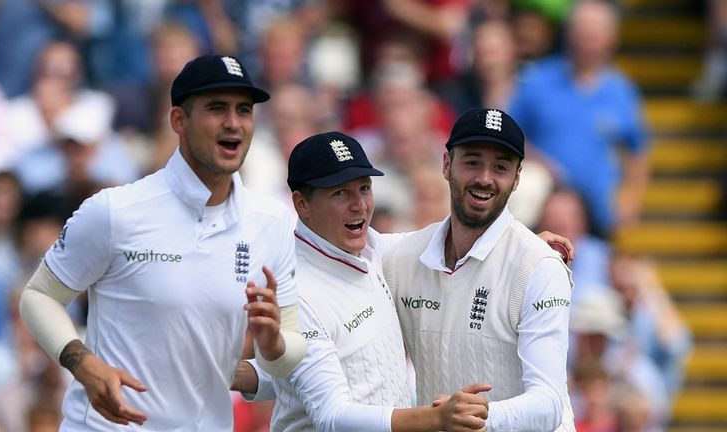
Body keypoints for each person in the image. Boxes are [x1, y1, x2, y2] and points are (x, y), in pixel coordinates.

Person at [17, 54, 306, 431]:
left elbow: (291, 351)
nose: (233, 123)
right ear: (178, 121)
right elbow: (38, 296)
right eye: (217, 108)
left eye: (244, 110)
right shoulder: (115, 210)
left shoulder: (273, 222)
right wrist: (83, 363)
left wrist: (273, 347)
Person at [232, 129, 575, 431]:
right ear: (301, 205)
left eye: (364, 188)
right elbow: (332, 415)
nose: (359, 206)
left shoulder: (374, 252)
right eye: (339, 193)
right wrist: (436, 420)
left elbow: (298, 371)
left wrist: (521, 252)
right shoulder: (298, 285)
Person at [382, 108, 576, 431]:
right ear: (446, 165)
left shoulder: (540, 267)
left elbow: (549, 402)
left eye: (500, 167)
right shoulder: (400, 256)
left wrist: (476, 418)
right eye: (472, 161)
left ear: (517, 179)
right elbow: (335, 246)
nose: (484, 178)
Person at [508, 0, 650, 237]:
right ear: (569, 34)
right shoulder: (538, 79)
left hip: (599, 216)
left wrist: (631, 198)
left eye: (594, 35)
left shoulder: (621, 90)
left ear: (611, 39)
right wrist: (541, 163)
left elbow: (638, 149)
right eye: (582, 33)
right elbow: (510, 133)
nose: (587, 42)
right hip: (542, 211)